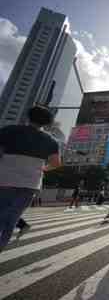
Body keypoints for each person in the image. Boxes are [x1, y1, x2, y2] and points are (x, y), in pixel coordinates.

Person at [0, 106, 61, 252]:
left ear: (28, 116)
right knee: (12, 217)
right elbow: (56, 163)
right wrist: (43, 169)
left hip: (5, 178)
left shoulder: (9, 130)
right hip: (30, 183)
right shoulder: (51, 140)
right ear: (47, 122)